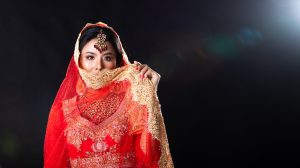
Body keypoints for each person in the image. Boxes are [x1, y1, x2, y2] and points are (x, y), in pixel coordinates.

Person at [44, 21, 173, 168]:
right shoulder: (61, 112)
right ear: (78, 59)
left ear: (117, 63)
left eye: (107, 57)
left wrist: (149, 95)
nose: (98, 66)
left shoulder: (133, 102)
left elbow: (149, 156)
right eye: (90, 57)